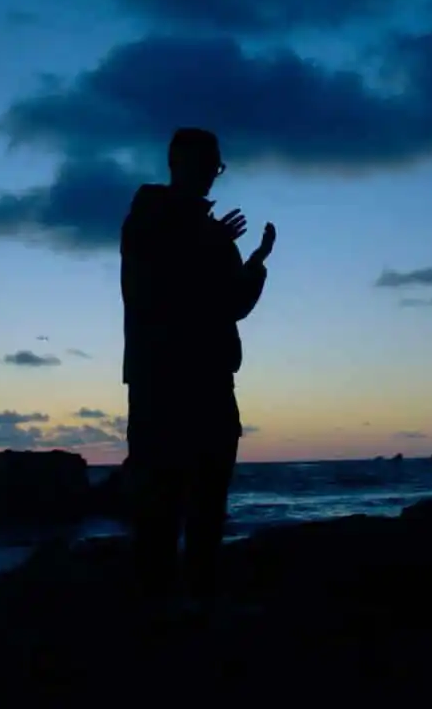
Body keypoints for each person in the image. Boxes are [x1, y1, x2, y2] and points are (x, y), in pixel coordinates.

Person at [120, 127, 276, 616]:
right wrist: (209, 243)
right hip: (161, 381)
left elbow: (232, 305)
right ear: (177, 164)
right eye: (206, 165)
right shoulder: (148, 216)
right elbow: (151, 286)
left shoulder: (212, 233)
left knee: (209, 498)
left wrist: (255, 264)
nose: (212, 175)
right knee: (160, 501)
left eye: (216, 166)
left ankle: (201, 599)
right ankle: (157, 609)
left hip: (212, 379)